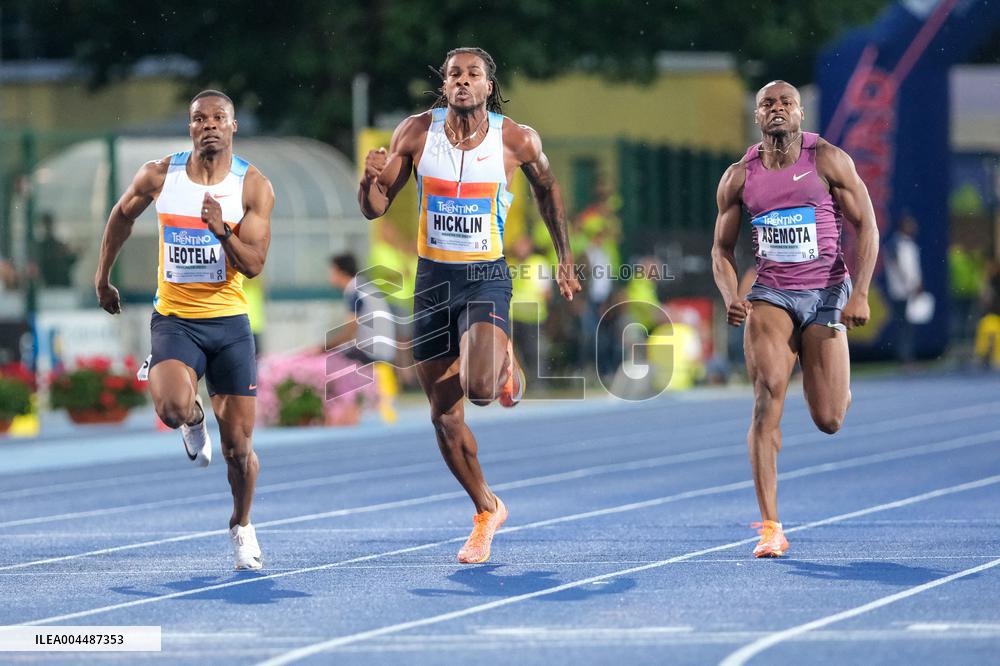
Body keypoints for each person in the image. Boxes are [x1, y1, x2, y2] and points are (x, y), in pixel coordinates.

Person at [358, 47, 580, 563]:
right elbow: (374, 209)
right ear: (444, 86)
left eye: (472, 74)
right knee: (443, 417)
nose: (462, 81)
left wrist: (564, 256)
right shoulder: (415, 132)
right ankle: (486, 510)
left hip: (484, 277)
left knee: (479, 390)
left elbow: (548, 190)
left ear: (488, 86)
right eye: (453, 74)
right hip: (432, 280)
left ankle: (499, 359)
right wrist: (368, 179)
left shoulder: (516, 139)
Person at [94, 90, 275, 570]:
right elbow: (121, 216)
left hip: (230, 325)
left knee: (239, 450)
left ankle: (241, 525)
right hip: (175, 318)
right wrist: (102, 277)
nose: (209, 125)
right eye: (199, 118)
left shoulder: (252, 186)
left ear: (234, 126)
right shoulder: (159, 174)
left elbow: (254, 265)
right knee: (173, 410)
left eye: (219, 118)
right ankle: (193, 419)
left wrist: (222, 231)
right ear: (190, 126)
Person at [711, 80, 878, 558]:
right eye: (768, 104)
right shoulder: (739, 176)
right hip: (771, 294)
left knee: (829, 418)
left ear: (801, 112)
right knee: (766, 401)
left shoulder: (827, 159)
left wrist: (860, 292)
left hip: (826, 291)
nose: (777, 110)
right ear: (758, 116)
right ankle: (770, 526)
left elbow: (866, 226)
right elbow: (720, 250)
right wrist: (730, 295)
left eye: (786, 103)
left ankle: (833, 377)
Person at [326, 253, 399, 423]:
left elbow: (351, 327)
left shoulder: (354, 291)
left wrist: (326, 345)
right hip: (384, 347)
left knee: (332, 360)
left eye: (331, 271)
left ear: (339, 271)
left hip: (373, 349)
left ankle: (344, 411)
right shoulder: (365, 286)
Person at [884, 216, 923, 364]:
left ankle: (907, 356)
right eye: (909, 224)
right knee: (903, 326)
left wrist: (917, 283)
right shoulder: (896, 244)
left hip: (909, 290)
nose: (913, 227)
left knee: (908, 325)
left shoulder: (908, 244)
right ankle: (905, 358)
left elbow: (912, 267)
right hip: (900, 291)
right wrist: (911, 284)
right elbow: (899, 267)